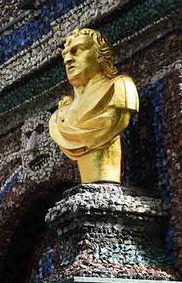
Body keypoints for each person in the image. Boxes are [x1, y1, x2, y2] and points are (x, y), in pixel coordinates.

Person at [49, 28, 139, 184]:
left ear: (100, 55)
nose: (67, 60)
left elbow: (120, 120)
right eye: (66, 55)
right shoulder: (60, 116)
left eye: (77, 51)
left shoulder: (119, 87)